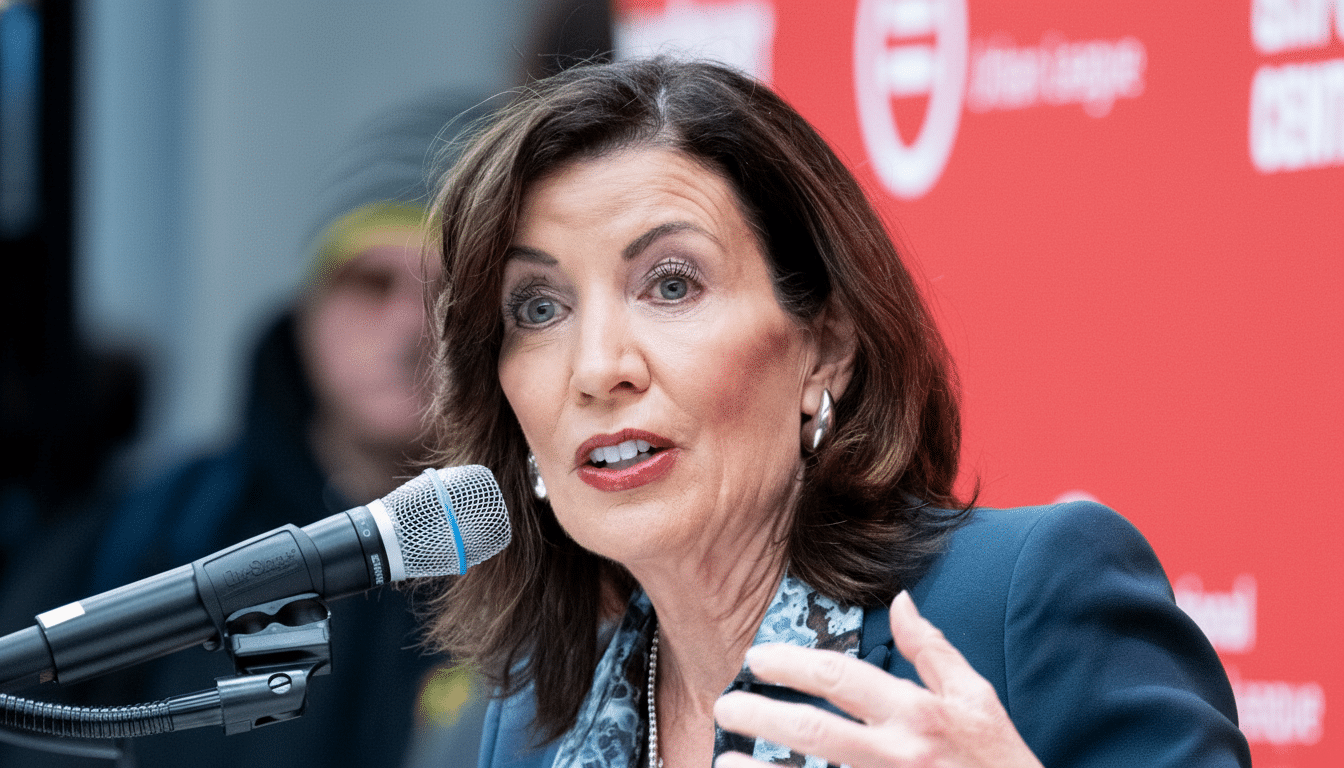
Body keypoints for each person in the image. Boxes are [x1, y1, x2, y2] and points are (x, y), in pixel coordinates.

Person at [417, 57, 1252, 768]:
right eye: (537, 308)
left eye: (672, 284)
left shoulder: (1022, 600)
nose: (599, 369)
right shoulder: (533, 719)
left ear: (825, 347)